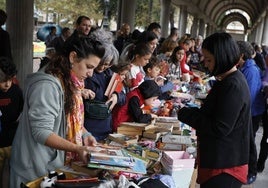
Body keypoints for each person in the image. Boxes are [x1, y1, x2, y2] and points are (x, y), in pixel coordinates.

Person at [9, 36, 105, 186]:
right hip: (34, 170)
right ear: (73, 57)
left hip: (50, 166)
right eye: (89, 67)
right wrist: (77, 148)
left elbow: (66, 118)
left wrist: (85, 134)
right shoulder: (47, 86)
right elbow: (42, 132)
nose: (91, 74)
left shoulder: (69, 82)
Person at [177, 32, 251, 188]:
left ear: (222, 57)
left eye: (209, 59)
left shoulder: (233, 85)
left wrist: (186, 115)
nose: (205, 64)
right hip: (220, 161)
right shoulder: (227, 80)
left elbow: (220, 127)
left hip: (225, 167)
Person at [83, 29, 121, 141]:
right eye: (100, 63)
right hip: (88, 128)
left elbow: (122, 93)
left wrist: (116, 96)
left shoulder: (110, 74)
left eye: (107, 65)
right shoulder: (86, 74)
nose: (102, 67)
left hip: (106, 127)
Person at [237, 40, 266, 184]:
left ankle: (252, 171)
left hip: (252, 112)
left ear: (241, 55)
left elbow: (248, 96)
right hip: (249, 111)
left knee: (249, 142)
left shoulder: (251, 70)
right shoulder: (245, 68)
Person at [0, 57, 23, 188]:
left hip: (13, 142)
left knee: (12, 177)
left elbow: (21, 111)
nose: (7, 84)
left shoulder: (16, 91)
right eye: (3, 81)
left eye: (10, 80)